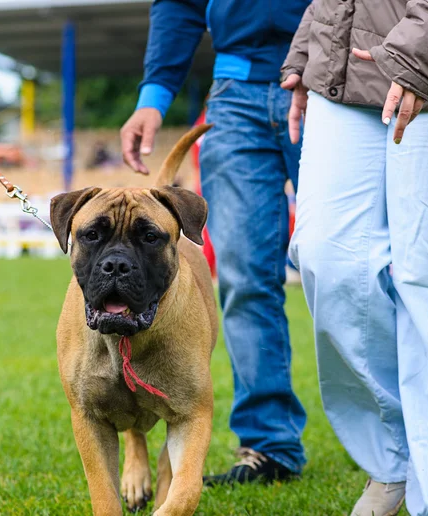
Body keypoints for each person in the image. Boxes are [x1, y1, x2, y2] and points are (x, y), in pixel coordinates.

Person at [120, 0, 310, 485]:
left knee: (346, 269)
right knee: (245, 280)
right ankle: (269, 446)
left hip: (331, 82)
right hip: (235, 94)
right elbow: (180, 4)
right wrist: (153, 96)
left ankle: (400, 439)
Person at [281, 1, 428, 514]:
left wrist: (420, 51)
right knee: (326, 256)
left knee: (423, 277)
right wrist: (308, 53)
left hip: (427, 58)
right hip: (344, 70)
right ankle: (390, 459)